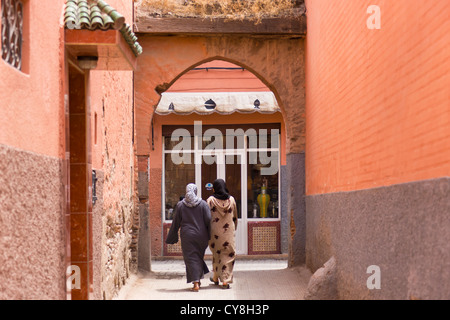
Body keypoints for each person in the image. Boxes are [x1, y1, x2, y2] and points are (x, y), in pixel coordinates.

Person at [166, 183, 211, 291]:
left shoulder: (181, 205)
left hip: (187, 236)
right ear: (195, 191)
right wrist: (210, 234)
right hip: (202, 236)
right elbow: (209, 219)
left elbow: (176, 222)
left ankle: (195, 282)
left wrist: (172, 236)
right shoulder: (203, 204)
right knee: (198, 256)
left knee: (191, 258)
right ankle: (198, 280)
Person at [207, 179, 238, 289]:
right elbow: (234, 217)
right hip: (228, 233)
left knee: (217, 254)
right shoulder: (231, 200)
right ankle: (225, 281)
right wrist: (234, 229)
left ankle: (216, 277)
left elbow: (207, 217)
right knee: (228, 255)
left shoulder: (210, 200)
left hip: (215, 233)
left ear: (215, 188)